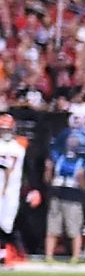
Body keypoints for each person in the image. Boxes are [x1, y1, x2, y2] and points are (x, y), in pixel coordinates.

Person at [44, 106, 85, 263]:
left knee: (73, 228)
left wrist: (81, 177)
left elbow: (84, 185)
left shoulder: (83, 161)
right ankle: (49, 255)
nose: (72, 142)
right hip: (57, 191)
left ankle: (75, 256)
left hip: (73, 194)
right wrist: (48, 170)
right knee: (53, 227)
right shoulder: (59, 158)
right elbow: (48, 180)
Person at [0, 113, 24, 265]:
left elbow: (8, 168)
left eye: (7, 129)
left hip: (9, 192)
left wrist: (5, 188)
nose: (5, 132)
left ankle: (11, 254)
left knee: (6, 224)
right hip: (5, 190)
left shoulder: (18, 147)